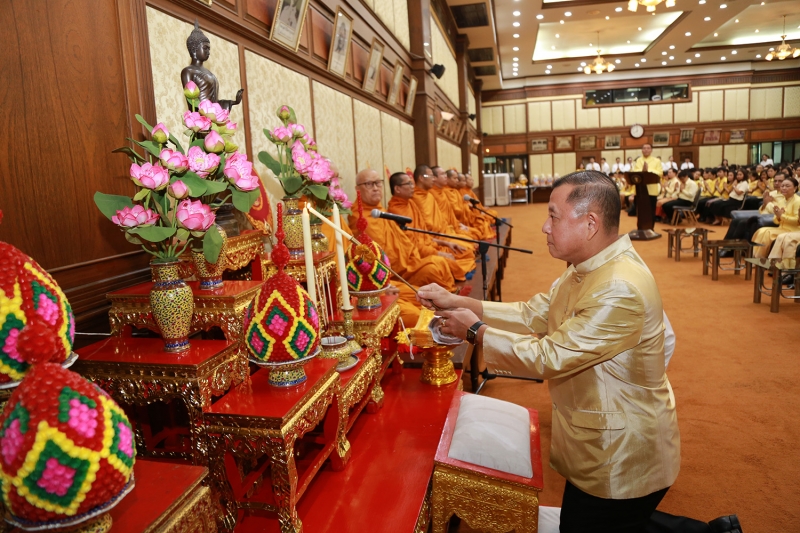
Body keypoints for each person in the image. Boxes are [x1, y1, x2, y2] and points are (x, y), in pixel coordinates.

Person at [417, 171, 742, 533]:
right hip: (597, 436)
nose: (544, 226)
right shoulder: (587, 268)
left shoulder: (617, 286)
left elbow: (549, 357)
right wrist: (460, 301)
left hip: (619, 450)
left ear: (590, 224)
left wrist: (474, 331)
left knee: (591, 525)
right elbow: (535, 313)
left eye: (553, 216)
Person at [386, 168, 475, 280]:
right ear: (397, 189)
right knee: (439, 267)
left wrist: (446, 244)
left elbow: (425, 235)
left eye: (412, 183)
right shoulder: (396, 212)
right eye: (409, 183)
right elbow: (414, 246)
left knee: (466, 250)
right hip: (418, 256)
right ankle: (453, 272)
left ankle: (453, 271)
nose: (412, 186)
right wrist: (438, 253)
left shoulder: (411, 204)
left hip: (433, 243)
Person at [751, 176, 800, 258]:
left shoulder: (797, 201)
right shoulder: (782, 201)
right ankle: (756, 257)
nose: (784, 188)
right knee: (761, 231)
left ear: (795, 188)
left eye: (787, 186)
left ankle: (760, 259)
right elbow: (775, 221)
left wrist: (782, 216)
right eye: (782, 186)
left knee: (767, 233)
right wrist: (778, 217)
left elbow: (797, 221)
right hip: (782, 228)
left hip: (794, 230)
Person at [632, 143, 664, 221]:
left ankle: (651, 229)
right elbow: (634, 171)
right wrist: (642, 171)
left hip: (652, 190)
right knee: (640, 211)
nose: (646, 149)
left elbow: (660, 173)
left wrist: (648, 171)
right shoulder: (638, 160)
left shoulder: (656, 161)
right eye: (644, 148)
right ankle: (640, 229)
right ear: (642, 150)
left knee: (651, 211)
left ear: (651, 150)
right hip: (639, 189)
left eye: (648, 148)